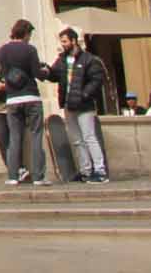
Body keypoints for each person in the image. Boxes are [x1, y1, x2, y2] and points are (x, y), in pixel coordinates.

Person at [0, 18, 50, 186]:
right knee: (36, 135)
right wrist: (45, 72)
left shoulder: (2, 51)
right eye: (29, 34)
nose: (30, 38)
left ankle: (12, 175)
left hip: (12, 99)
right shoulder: (30, 50)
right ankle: (38, 177)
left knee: (15, 137)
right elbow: (38, 73)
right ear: (25, 33)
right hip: (31, 97)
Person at [52, 27, 110, 184]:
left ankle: (100, 170)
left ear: (73, 41)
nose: (63, 44)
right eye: (61, 42)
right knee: (77, 140)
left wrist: (84, 94)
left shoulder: (88, 59)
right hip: (68, 105)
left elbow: (96, 80)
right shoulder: (62, 59)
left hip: (85, 106)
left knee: (89, 137)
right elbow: (54, 74)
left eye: (65, 41)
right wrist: (44, 71)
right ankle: (85, 170)